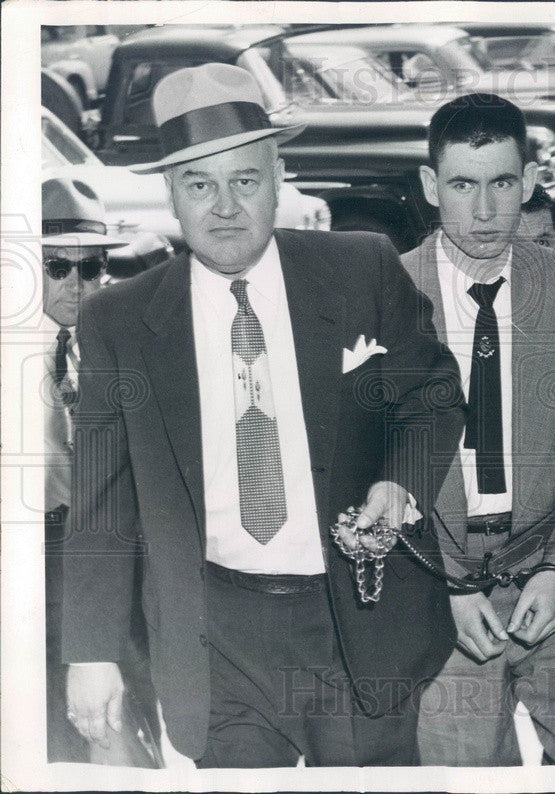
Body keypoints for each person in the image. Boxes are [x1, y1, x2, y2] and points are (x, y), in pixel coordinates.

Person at [61, 63, 465, 768]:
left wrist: (398, 485)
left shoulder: (360, 269)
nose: (224, 207)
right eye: (199, 185)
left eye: (244, 181)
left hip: (356, 625)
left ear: (279, 177)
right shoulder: (119, 321)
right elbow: (101, 502)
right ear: (172, 196)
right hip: (216, 637)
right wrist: (92, 653)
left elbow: (430, 395)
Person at [401, 93, 555, 765]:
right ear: (429, 186)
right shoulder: (384, 293)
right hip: (438, 593)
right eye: (462, 185)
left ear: (530, 181)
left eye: (502, 183)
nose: (484, 211)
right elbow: (367, 472)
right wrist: (447, 583)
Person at [41, 177, 127, 764]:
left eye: (91, 267)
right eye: (57, 267)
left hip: (100, 552)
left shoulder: (112, 347)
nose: (77, 284)